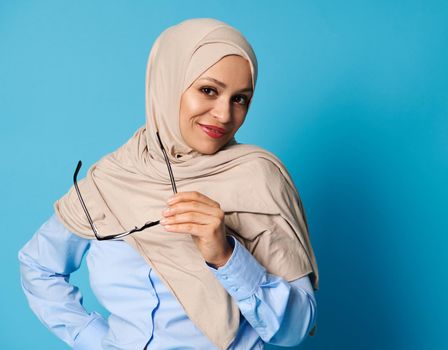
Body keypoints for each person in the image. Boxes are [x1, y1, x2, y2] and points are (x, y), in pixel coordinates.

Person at [19, 18, 319, 350]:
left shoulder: (259, 179)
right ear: (169, 82)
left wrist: (226, 256)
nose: (223, 114)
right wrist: (96, 340)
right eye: (208, 90)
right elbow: (38, 265)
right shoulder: (111, 180)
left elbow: (295, 329)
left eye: (240, 99)